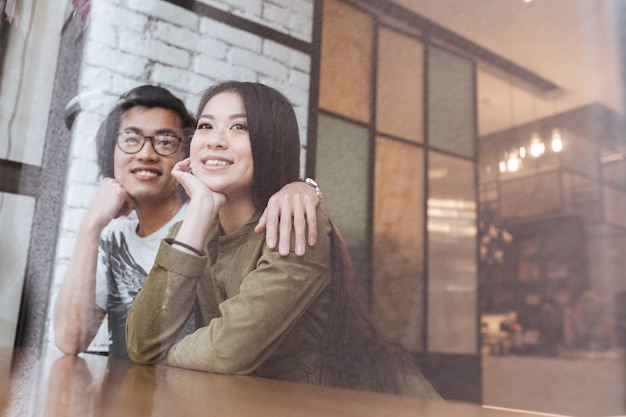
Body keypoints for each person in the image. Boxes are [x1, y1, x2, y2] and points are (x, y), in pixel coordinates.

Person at [126, 81, 440, 398]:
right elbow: (142, 345)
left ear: (270, 143)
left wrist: (166, 356)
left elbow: (224, 353)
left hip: (373, 403)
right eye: (206, 126)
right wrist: (198, 211)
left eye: (239, 127)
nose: (215, 141)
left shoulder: (295, 220)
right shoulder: (195, 231)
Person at [54, 85, 320, 360]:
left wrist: (304, 186)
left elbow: (226, 349)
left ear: (185, 154)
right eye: (131, 140)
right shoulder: (117, 237)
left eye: (166, 142)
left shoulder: (217, 220)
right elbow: (71, 340)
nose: (146, 154)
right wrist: (90, 226)